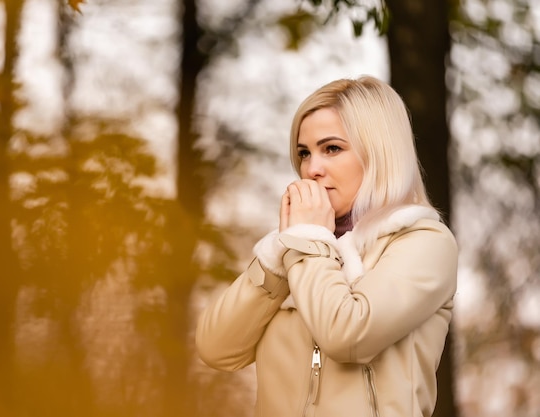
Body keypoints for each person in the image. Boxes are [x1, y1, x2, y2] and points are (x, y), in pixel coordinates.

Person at [195, 76, 458, 417]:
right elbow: (216, 349)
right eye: (304, 153)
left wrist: (307, 243)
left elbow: (348, 336)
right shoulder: (300, 246)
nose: (311, 169)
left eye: (331, 148)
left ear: (379, 153)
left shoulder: (424, 242)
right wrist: (280, 256)